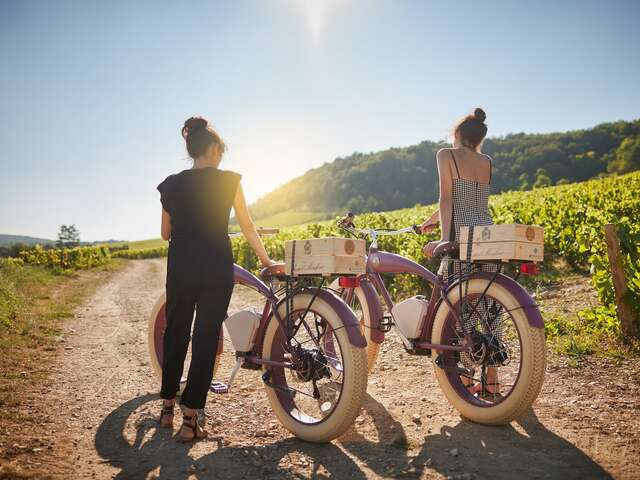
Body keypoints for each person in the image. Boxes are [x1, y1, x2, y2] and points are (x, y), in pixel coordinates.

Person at [157, 116, 276, 441]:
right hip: (215, 265)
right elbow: (248, 227)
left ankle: (167, 407)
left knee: (176, 332)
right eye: (220, 150)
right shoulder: (229, 181)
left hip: (181, 266)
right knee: (205, 338)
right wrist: (267, 260)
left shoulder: (169, 185)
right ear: (211, 149)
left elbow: (165, 233)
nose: (222, 156)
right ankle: (190, 420)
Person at [420, 107, 499, 395]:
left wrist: (443, 238)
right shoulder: (486, 161)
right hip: (486, 235)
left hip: (459, 236)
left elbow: (447, 198)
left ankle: (466, 382)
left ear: (457, 134)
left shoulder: (446, 155)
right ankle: (492, 381)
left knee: (461, 308)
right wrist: (429, 222)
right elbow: (467, 198)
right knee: (491, 306)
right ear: (478, 138)